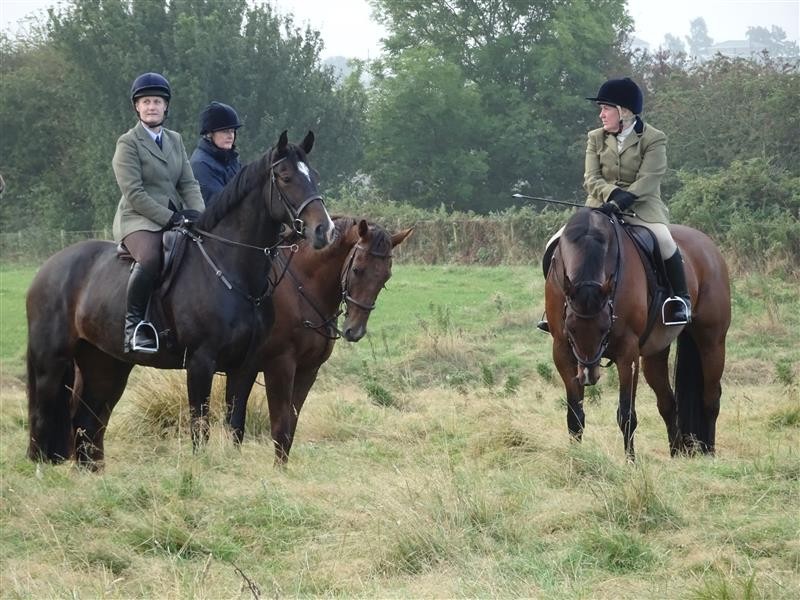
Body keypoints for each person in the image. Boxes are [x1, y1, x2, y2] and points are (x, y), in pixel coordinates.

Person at [537, 77, 691, 332]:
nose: (601, 114)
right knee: (554, 242)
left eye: (606, 108)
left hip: (641, 208)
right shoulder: (595, 138)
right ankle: (555, 305)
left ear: (624, 111)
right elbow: (591, 178)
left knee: (665, 242)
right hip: (599, 207)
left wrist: (624, 199)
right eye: (601, 109)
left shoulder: (653, 138)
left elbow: (650, 177)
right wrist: (612, 195)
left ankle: (679, 301)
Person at [112, 72, 205, 353]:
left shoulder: (175, 139)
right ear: (137, 107)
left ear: (166, 107)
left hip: (174, 217)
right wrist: (171, 218)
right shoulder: (128, 143)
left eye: (157, 102)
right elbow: (135, 193)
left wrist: (199, 214)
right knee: (152, 257)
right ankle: (134, 328)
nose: (151, 106)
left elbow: (188, 183)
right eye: (146, 102)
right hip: (137, 219)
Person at [190, 101, 242, 205]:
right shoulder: (201, 164)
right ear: (210, 134)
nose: (230, 136)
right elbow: (219, 204)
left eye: (232, 131)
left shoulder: (231, 160)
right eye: (225, 131)